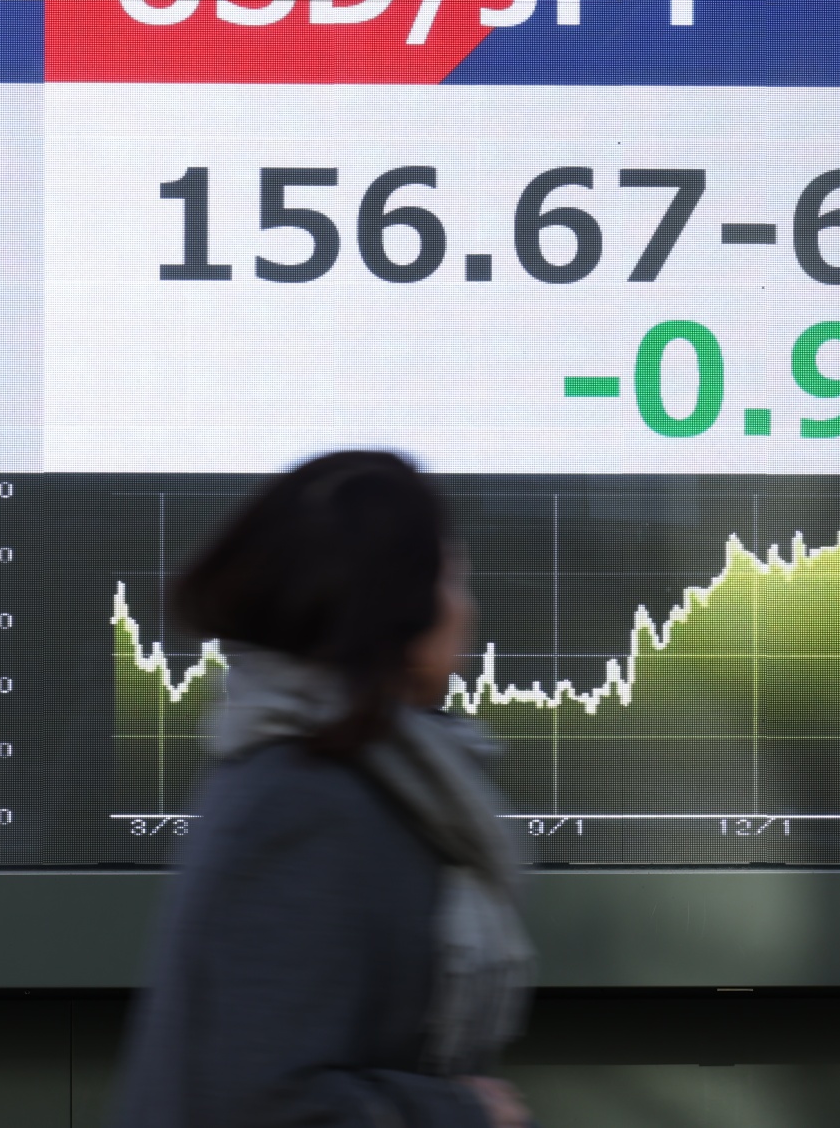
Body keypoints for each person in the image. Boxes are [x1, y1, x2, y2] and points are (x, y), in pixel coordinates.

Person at [108, 452, 535, 1128]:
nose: (466, 609)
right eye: (452, 576)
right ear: (398, 605)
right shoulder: (303, 802)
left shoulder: (362, 776)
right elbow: (263, 1102)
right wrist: (464, 1112)